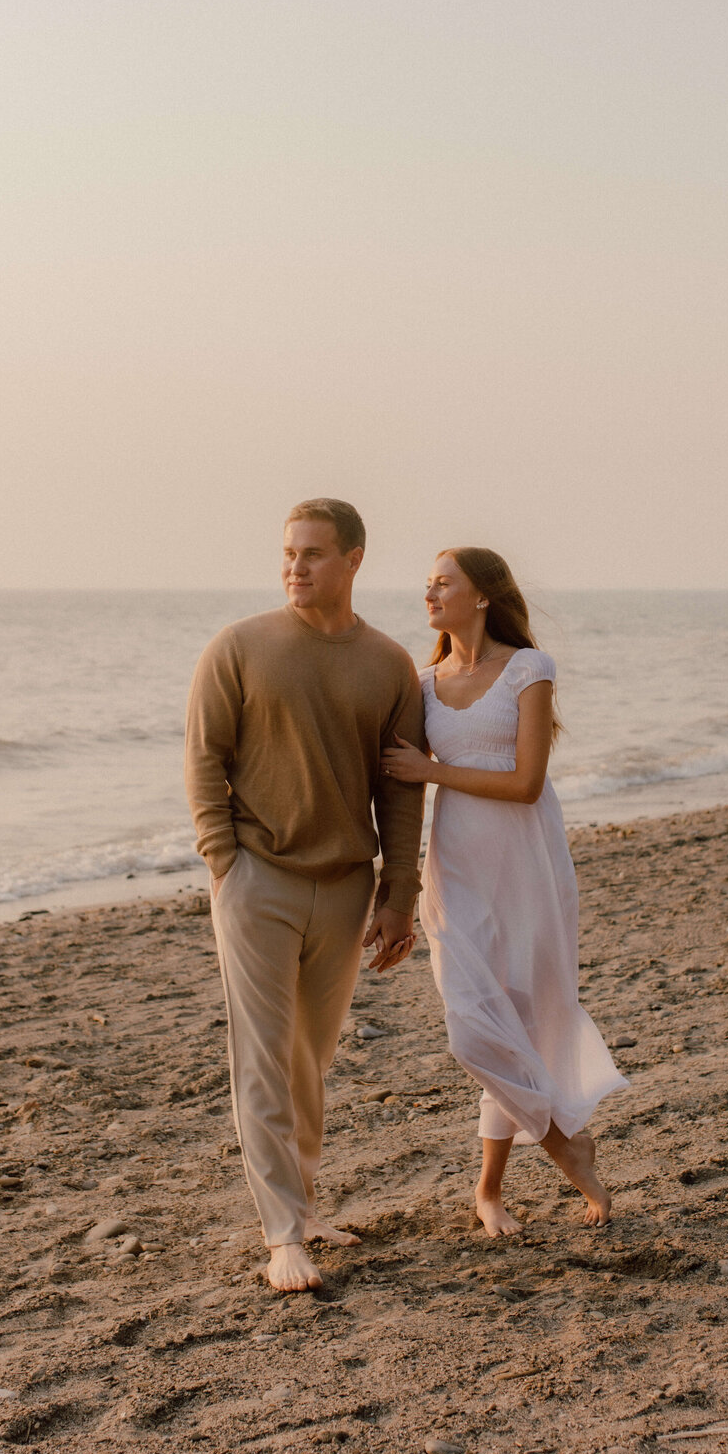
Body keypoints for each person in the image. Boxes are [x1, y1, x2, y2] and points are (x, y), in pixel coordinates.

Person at [184, 499, 425, 1292]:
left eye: (314, 554)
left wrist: (399, 892)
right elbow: (204, 760)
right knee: (260, 1055)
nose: (296, 566)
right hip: (259, 879)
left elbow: (398, 791)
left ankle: (306, 1203)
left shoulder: (389, 664)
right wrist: (225, 862)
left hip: (349, 885)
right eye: (289, 553)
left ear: (354, 560)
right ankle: (283, 1233)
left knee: (309, 1059)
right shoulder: (239, 647)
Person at [382, 547, 627, 1236]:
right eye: (426, 582)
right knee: (474, 1028)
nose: (429, 590)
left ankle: (488, 1190)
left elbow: (525, 782)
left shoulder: (528, 668)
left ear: (482, 596)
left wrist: (433, 768)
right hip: (455, 871)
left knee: (517, 1020)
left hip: (525, 864)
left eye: (443, 581)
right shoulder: (422, 682)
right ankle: (564, 1144)